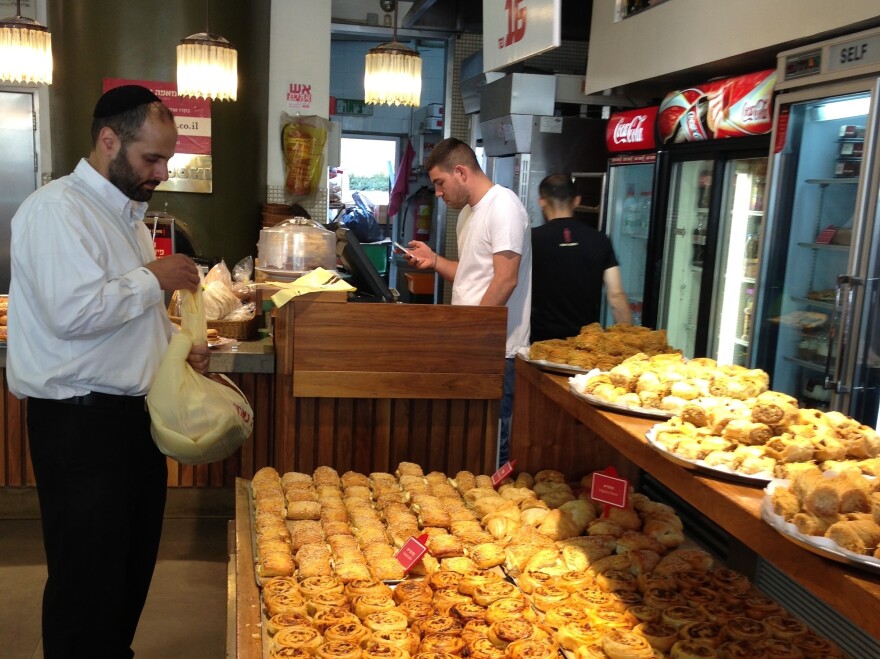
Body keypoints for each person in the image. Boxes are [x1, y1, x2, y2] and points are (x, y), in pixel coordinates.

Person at [7, 85, 209, 658]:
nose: (161, 171)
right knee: (85, 584)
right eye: (152, 158)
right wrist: (157, 278)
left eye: (167, 159)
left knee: (126, 576)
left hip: (130, 424)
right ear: (108, 140)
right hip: (79, 427)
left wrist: (176, 343)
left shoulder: (129, 221)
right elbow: (73, 313)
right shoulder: (56, 210)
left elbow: (124, 318)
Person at [404, 138, 531, 466]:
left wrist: (471, 338)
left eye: (440, 183)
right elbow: (472, 273)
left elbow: (505, 279)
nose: (438, 193)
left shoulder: (503, 205)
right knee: (471, 445)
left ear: (460, 172)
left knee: (493, 445)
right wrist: (434, 261)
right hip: (473, 346)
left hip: (497, 352)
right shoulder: (468, 215)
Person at [531, 173, 632, 342]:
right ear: (577, 200)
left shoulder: (531, 239)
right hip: (586, 344)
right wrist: (629, 341)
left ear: (541, 201)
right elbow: (616, 295)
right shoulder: (600, 240)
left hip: (540, 343)